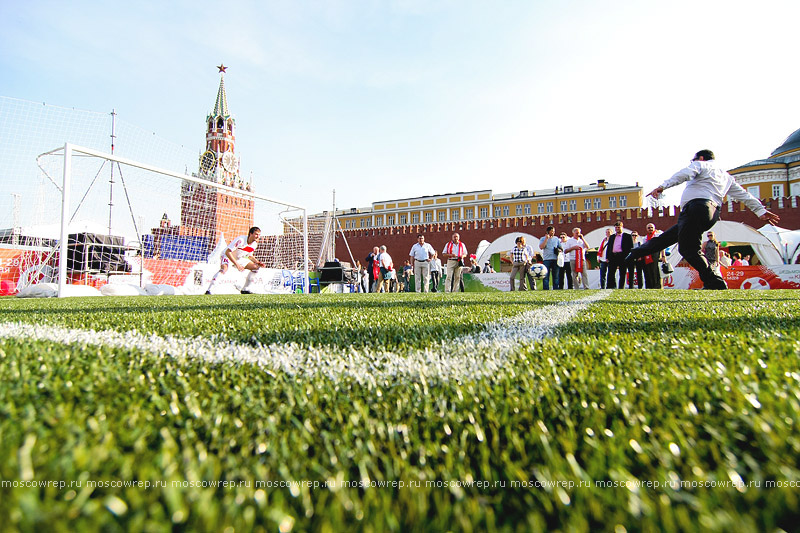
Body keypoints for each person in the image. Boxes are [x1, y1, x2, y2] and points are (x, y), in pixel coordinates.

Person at [626, 149, 780, 289]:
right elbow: (744, 195)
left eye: (693, 160)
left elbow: (685, 173)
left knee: (687, 249)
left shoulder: (701, 165)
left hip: (696, 208)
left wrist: (663, 186)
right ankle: (636, 253)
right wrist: (760, 211)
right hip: (711, 213)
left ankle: (715, 282)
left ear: (700, 158)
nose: (692, 163)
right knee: (670, 237)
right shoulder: (726, 177)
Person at [206, 226, 265, 294]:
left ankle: (245, 289)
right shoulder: (241, 240)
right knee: (224, 269)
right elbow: (228, 252)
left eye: (259, 235)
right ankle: (209, 290)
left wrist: (257, 262)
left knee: (255, 268)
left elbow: (249, 256)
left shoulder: (254, 244)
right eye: (256, 234)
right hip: (227, 256)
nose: (258, 236)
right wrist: (237, 264)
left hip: (239, 258)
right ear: (250, 234)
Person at [606, 221, 633, 289]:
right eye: (616, 227)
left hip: (622, 256)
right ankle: (610, 287)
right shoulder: (612, 237)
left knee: (622, 273)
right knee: (611, 273)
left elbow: (631, 248)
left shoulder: (627, 236)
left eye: (619, 227)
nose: (617, 229)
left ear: (622, 227)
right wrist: (607, 257)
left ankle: (621, 287)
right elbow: (609, 247)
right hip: (613, 256)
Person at [642, 223, 666, 289]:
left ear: (654, 228)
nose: (650, 229)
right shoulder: (645, 238)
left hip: (656, 255)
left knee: (655, 271)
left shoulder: (658, 235)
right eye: (649, 228)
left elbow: (662, 246)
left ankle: (657, 286)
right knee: (648, 272)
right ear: (646, 229)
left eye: (651, 227)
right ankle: (649, 287)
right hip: (647, 256)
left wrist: (663, 256)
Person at [539, 226, 562, 290]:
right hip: (547, 259)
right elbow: (541, 247)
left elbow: (560, 247)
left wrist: (559, 250)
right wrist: (546, 239)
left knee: (556, 276)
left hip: (555, 259)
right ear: (548, 231)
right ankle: (546, 289)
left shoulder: (556, 239)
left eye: (554, 231)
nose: (553, 232)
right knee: (546, 276)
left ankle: (556, 288)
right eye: (552, 231)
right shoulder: (543, 238)